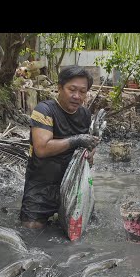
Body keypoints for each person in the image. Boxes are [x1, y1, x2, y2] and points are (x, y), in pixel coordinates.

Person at [20, 65, 100, 229]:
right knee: (30, 230)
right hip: (42, 185)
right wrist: (76, 140)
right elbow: (41, 149)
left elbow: (88, 144)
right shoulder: (44, 110)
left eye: (82, 92)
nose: (77, 96)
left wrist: (91, 152)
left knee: (85, 229)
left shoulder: (84, 114)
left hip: (73, 184)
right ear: (59, 87)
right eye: (72, 89)